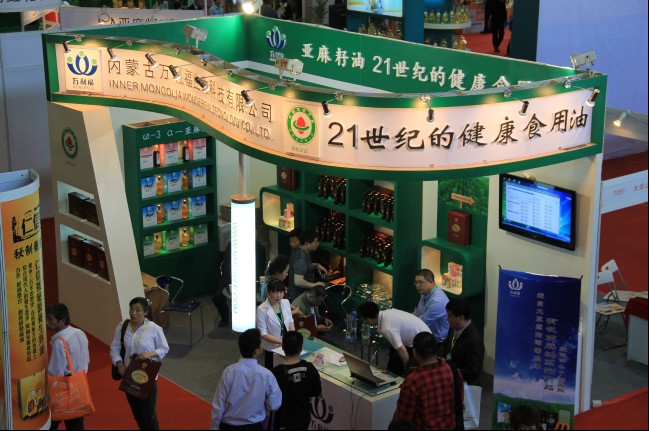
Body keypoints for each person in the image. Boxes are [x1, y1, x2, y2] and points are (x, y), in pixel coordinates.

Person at [110, 297, 169, 430]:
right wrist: (119, 365)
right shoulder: (123, 326)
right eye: (131, 309)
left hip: (147, 376)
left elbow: (164, 348)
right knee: (137, 414)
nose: (133, 313)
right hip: (128, 374)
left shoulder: (154, 329)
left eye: (138, 310)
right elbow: (115, 348)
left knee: (149, 415)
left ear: (145, 312)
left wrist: (150, 353)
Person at [211, 328, 282, 430]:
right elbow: (274, 405)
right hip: (254, 426)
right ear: (257, 350)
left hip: (228, 426)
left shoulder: (229, 371)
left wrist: (213, 427)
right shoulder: (267, 375)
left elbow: (219, 404)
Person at [393, 332, 461, 430]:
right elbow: (459, 401)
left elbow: (403, 420)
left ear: (414, 352)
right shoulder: (453, 370)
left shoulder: (412, 382)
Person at [46, 303, 91, 431]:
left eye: (50, 319)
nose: (47, 323)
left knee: (51, 423)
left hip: (62, 389)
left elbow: (55, 372)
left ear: (61, 321)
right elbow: (87, 360)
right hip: (79, 383)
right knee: (76, 424)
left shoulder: (60, 343)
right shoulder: (80, 332)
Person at [358, 301, 431, 376]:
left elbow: (402, 350)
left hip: (423, 343)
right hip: (422, 335)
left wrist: (406, 371)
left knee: (401, 370)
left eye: (363, 319)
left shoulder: (386, 328)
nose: (364, 322)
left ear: (368, 319)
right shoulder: (386, 313)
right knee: (393, 366)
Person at [271, 331, 322, 430]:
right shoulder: (310, 368)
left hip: (283, 420)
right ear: (301, 349)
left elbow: (271, 401)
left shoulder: (275, 373)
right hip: (303, 418)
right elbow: (317, 391)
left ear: (283, 347)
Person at [438, 298, 485, 385]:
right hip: (449, 373)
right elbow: (445, 344)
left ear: (460, 318)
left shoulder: (474, 340)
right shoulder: (454, 327)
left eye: (450, 316)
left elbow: (473, 371)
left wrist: (450, 371)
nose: (447, 318)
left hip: (464, 383)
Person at [257, 278, 295, 368]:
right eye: (275, 292)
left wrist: (293, 336)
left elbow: (290, 320)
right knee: (272, 371)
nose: (279, 296)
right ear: (268, 292)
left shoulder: (285, 302)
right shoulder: (261, 309)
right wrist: (283, 341)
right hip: (272, 348)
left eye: (281, 292)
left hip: (288, 345)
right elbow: (263, 334)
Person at [412, 269, 450, 346]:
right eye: (416, 282)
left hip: (437, 342)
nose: (417, 286)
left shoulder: (437, 301)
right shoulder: (424, 293)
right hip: (427, 333)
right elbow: (417, 313)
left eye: (421, 282)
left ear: (431, 281)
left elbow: (422, 323)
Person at [288, 229, 326, 301]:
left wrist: (316, 265)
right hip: (299, 297)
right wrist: (315, 285)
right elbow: (298, 281)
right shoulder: (301, 259)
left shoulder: (301, 252)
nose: (318, 244)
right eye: (315, 241)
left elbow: (303, 267)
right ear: (307, 244)